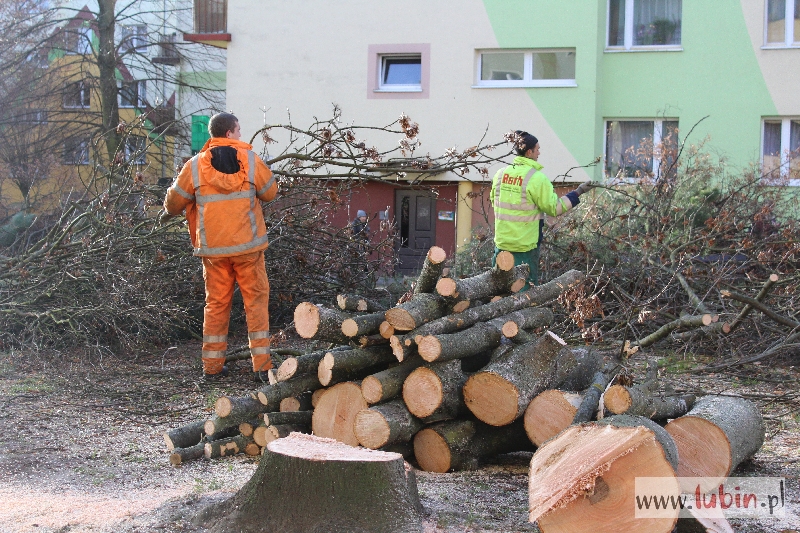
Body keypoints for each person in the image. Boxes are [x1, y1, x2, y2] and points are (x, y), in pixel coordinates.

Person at [161, 112, 278, 381]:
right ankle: (262, 367)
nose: (240, 135)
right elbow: (270, 193)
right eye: (238, 130)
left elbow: (173, 205)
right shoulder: (250, 159)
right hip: (248, 248)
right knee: (256, 304)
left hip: (214, 252)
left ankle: (212, 368)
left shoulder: (194, 166)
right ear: (229, 133)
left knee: (216, 305)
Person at [490, 130, 593, 285]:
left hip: (502, 244)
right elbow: (555, 209)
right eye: (537, 149)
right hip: (525, 247)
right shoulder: (536, 178)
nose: (539, 152)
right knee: (524, 293)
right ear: (529, 152)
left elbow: (494, 201)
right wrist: (578, 192)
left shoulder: (500, 174)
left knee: (498, 289)